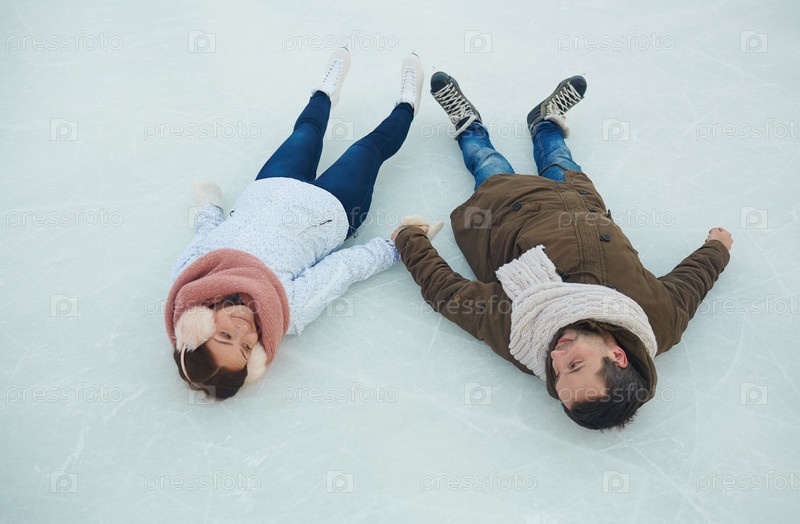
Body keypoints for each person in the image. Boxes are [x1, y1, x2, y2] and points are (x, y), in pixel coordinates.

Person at [391, 72, 732, 430]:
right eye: (574, 364)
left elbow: (449, 296)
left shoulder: (522, 333)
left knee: (485, 159)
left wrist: (410, 240)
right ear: (618, 355)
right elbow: (692, 283)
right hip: (578, 200)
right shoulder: (659, 321)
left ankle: (468, 124)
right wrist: (718, 250)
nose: (554, 356)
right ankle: (545, 122)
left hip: (504, 208)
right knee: (557, 155)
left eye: (556, 375)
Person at [165, 49, 424, 399]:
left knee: (306, 131)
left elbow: (205, 237)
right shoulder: (286, 307)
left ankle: (325, 91)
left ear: (197, 323)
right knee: (369, 148)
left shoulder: (190, 277)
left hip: (269, 186)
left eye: (225, 336)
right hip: (333, 207)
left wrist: (208, 205)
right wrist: (397, 246)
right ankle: (407, 102)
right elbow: (342, 269)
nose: (243, 331)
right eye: (246, 347)